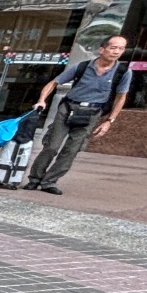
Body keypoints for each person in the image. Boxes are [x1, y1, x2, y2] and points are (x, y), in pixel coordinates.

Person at [25, 35, 131, 195]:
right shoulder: (82, 67)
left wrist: (109, 121)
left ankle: (49, 182)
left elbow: (121, 97)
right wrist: (42, 100)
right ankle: (34, 179)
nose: (117, 52)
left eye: (121, 48)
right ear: (101, 50)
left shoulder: (123, 72)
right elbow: (54, 82)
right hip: (68, 108)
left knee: (71, 150)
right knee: (52, 146)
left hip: (92, 113)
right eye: (113, 47)